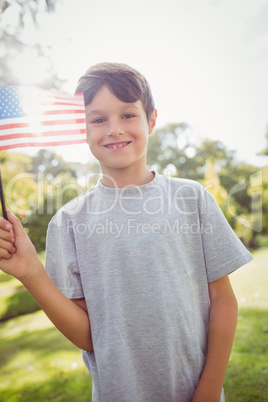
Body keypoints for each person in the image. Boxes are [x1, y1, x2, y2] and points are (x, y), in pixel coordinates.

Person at [0, 62, 253, 402]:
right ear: (82, 127)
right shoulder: (69, 222)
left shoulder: (191, 197)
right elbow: (90, 335)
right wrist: (31, 272)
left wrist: (207, 392)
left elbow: (223, 301)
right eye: (98, 119)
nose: (114, 129)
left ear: (151, 120)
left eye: (128, 115)